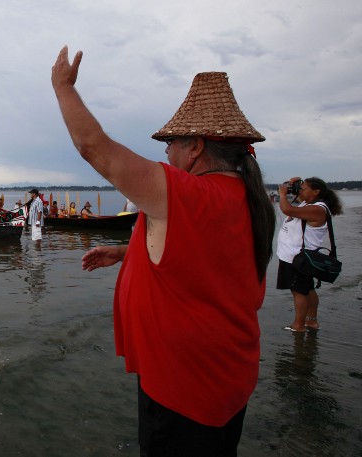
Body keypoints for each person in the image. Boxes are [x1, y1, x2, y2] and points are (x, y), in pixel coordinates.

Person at [53, 46, 275, 454]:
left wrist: (63, 88)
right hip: (226, 376)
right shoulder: (250, 197)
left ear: (196, 147)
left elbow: (93, 146)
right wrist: (125, 252)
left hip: (184, 390)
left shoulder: (190, 195)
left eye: (171, 142)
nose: (166, 152)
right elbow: (209, 260)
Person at [276, 177, 342, 332]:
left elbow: (287, 209)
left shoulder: (318, 209)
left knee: (298, 291)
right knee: (308, 289)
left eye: (304, 188)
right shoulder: (308, 203)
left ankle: (298, 326)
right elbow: (296, 197)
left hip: (298, 258)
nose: (301, 191)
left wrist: (283, 195)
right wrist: (293, 184)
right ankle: (311, 322)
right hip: (294, 256)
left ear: (316, 191)